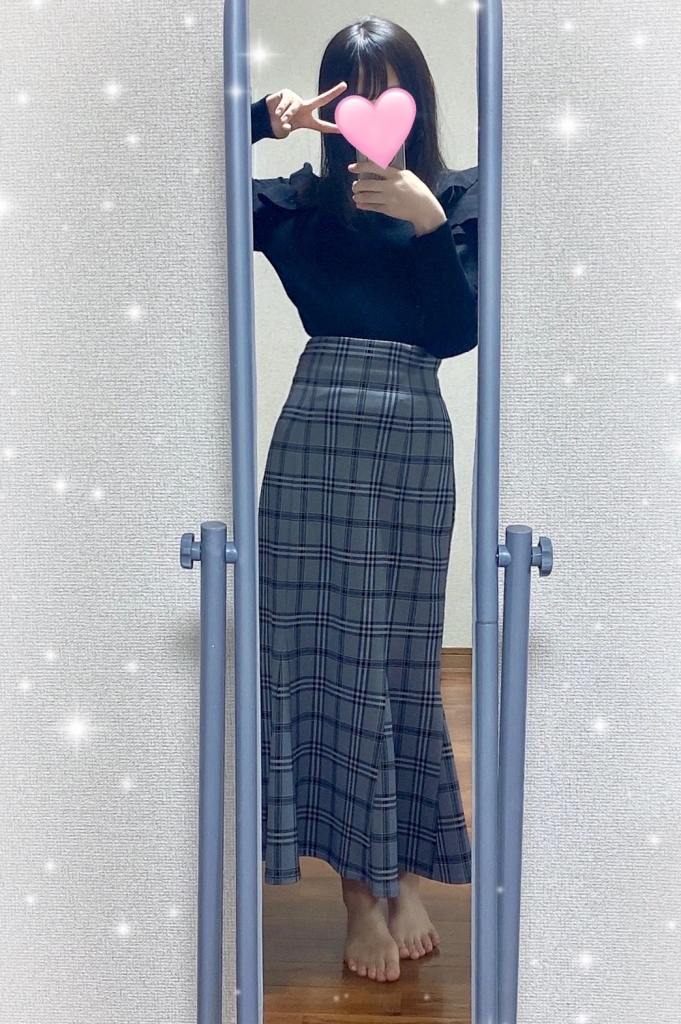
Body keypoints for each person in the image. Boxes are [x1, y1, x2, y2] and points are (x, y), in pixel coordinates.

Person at [252, 15, 478, 985]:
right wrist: (258, 122)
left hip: (412, 431)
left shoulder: (460, 197)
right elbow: (181, 191)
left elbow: (457, 332)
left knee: (401, 658)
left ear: (415, 100)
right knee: (326, 661)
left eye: (386, 87)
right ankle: (358, 890)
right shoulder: (300, 202)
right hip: (315, 436)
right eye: (348, 91)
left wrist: (428, 226)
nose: (368, 107)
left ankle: (404, 871)